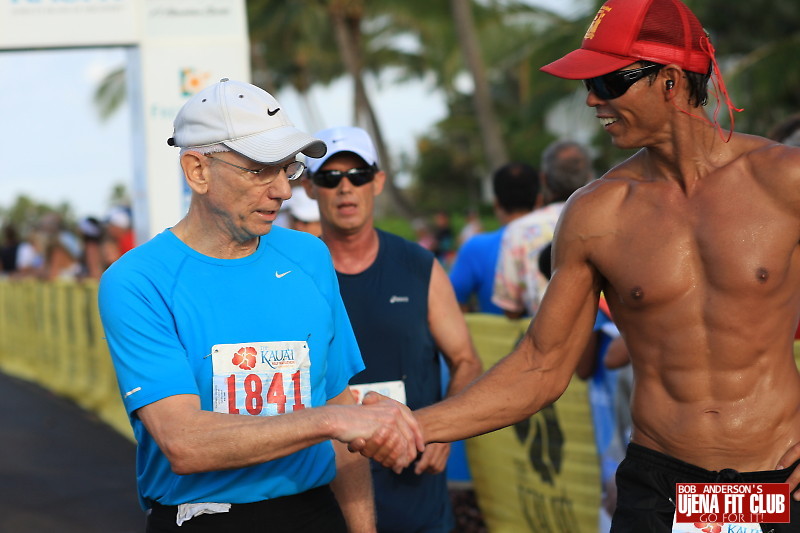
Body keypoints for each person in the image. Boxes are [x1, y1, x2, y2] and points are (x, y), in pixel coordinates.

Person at [353, 0, 800, 531]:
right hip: (663, 489)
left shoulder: (784, 181)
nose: (592, 98)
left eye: (608, 81)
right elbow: (541, 366)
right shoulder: (597, 211)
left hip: (779, 480)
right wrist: (413, 425)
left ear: (671, 80)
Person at [98, 79, 422, 533]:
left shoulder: (309, 256)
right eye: (258, 170)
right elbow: (186, 443)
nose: (283, 192)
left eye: (287, 169)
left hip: (314, 512)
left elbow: (339, 409)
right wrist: (330, 420)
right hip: (205, 518)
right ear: (197, 170)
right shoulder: (137, 281)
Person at [304, 125, 483, 533]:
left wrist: (443, 432)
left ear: (377, 181)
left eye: (358, 175)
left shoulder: (419, 265)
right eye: (330, 178)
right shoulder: (293, 273)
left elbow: (466, 359)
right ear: (311, 188)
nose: (345, 188)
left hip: (415, 486)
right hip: (325, 490)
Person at [492, 140, 594, 318]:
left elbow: (510, 308)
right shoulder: (611, 218)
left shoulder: (518, 230)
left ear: (544, 179)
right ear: (590, 176)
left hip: (550, 337)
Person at [449, 162, 539, 314]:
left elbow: (453, 302)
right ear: (539, 200)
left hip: (500, 336)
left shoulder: (475, 247)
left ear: (496, 203)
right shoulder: (559, 240)